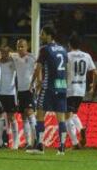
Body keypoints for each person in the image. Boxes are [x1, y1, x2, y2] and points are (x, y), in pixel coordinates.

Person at [27, 26, 68, 155]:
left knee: (40, 114)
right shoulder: (63, 49)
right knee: (61, 118)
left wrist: (32, 82)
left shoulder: (45, 49)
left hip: (49, 87)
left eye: (42, 34)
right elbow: (66, 68)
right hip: (61, 86)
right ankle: (61, 148)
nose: (40, 36)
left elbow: (38, 68)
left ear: (49, 35)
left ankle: (39, 146)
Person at [66, 34, 97, 149]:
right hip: (81, 89)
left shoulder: (67, 56)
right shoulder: (86, 55)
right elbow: (95, 72)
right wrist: (93, 87)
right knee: (73, 114)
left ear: (69, 44)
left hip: (70, 89)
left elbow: (63, 72)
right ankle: (81, 129)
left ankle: (75, 143)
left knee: (67, 117)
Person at [11, 39, 37, 149]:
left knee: (30, 112)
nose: (20, 49)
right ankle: (28, 143)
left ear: (27, 47)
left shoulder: (32, 58)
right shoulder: (15, 57)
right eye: (18, 47)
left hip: (30, 89)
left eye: (22, 46)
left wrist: (37, 84)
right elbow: (5, 54)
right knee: (24, 116)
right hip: (20, 90)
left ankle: (36, 140)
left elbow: (38, 70)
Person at [0, 46, 18, 149]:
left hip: (10, 93)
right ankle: (0, 142)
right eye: (2, 52)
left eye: (6, 52)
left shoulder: (13, 63)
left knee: (11, 117)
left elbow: (19, 57)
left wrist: (12, 55)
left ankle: (15, 142)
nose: (4, 55)